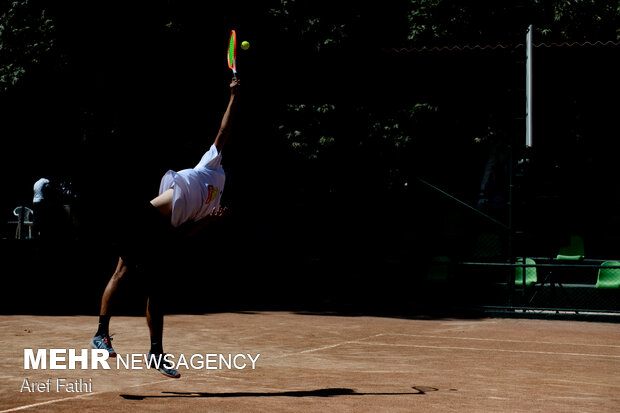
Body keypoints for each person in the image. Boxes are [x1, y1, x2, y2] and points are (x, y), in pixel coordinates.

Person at [89, 77, 241, 379]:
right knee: (122, 271)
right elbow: (224, 131)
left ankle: (156, 354)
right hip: (147, 217)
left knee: (157, 292)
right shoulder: (211, 166)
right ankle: (100, 334)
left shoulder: (214, 203)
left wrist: (211, 221)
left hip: (164, 233)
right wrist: (234, 96)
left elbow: (186, 234)